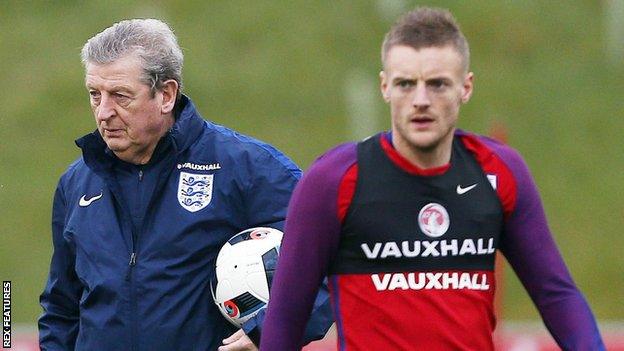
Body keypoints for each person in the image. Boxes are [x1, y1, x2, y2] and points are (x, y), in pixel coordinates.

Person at [260, 7, 605, 351]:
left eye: (437, 84)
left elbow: (556, 295)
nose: (420, 100)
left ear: (465, 87)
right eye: (406, 84)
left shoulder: (499, 172)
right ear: (385, 87)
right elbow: (287, 314)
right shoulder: (333, 180)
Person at [38, 19, 333, 351]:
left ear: (166, 95)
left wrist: (265, 332)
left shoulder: (248, 168)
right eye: (95, 95)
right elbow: (62, 307)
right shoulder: (77, 182)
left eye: (120, 96)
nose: (104, 112)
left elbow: (329, 260)